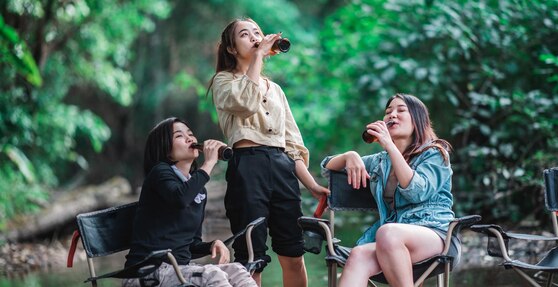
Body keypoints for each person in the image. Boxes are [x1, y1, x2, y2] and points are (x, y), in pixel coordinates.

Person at [208, 18, 330, 287]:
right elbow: (245, 103)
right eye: (245, 34)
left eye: (257, 33)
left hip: (282, 168)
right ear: (231, 49)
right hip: (247, 167)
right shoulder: (223, 81)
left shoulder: (275, 90)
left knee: (293, 252)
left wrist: (311, 185)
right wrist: (260, 55)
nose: (253, 38)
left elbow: (292, 145)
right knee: (251, 255)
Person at [321, 94, 460, 287]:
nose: (392, 115)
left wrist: (389, 145)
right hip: (391, 243)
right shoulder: (380, 161)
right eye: (388, 112)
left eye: (401, 110)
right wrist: (349, 155)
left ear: (418, 120)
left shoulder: (435, 153)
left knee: (388, 232)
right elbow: (327, 167)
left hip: (437, 235)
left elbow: (416, 192)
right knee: (358, 254)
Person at [123, 117, 257, 287]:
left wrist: (212, 245)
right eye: (179, 136)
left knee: (238, 271)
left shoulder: (198, 190)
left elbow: (190, 244)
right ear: (165, 149)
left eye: (191, 134)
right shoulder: (159, 173)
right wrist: (209, 163)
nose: (190, 139)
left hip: (178, 268)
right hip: (147, 271)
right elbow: (180, 198)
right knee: (212, 275)